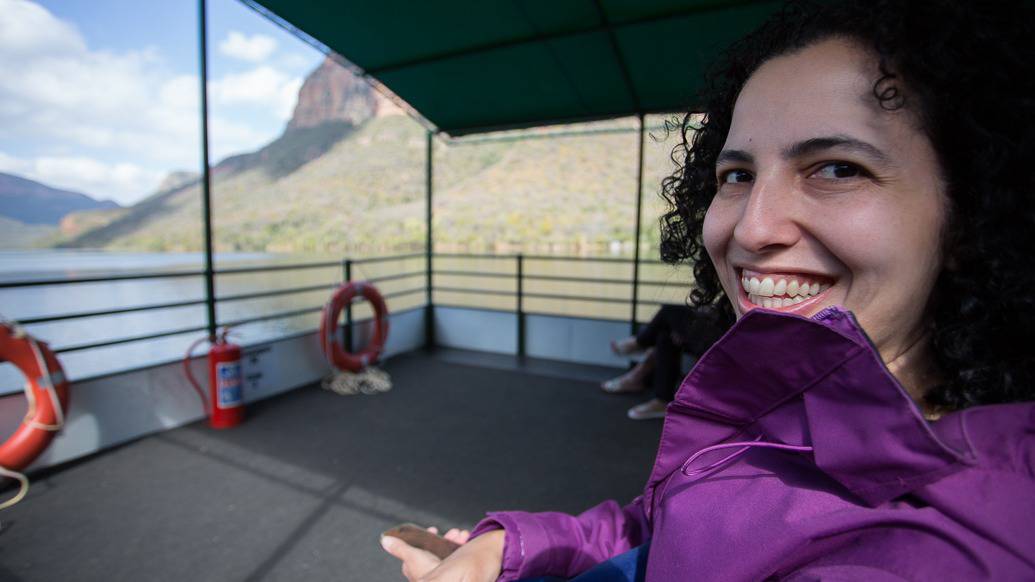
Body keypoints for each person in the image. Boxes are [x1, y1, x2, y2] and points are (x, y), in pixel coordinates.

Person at [381, 0, 1035, 579]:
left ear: (970, 218)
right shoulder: (790, 411)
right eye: (737, 173)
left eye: (837, 168)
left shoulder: (957, 547)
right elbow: (664, 529)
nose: (751, 227)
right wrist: (508, 552)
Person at [602, 304, 727, 420]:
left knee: (669, 311)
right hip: (716, 330)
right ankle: (659, 396)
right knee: (667, 334)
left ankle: (639, 345)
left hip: (728, 340)